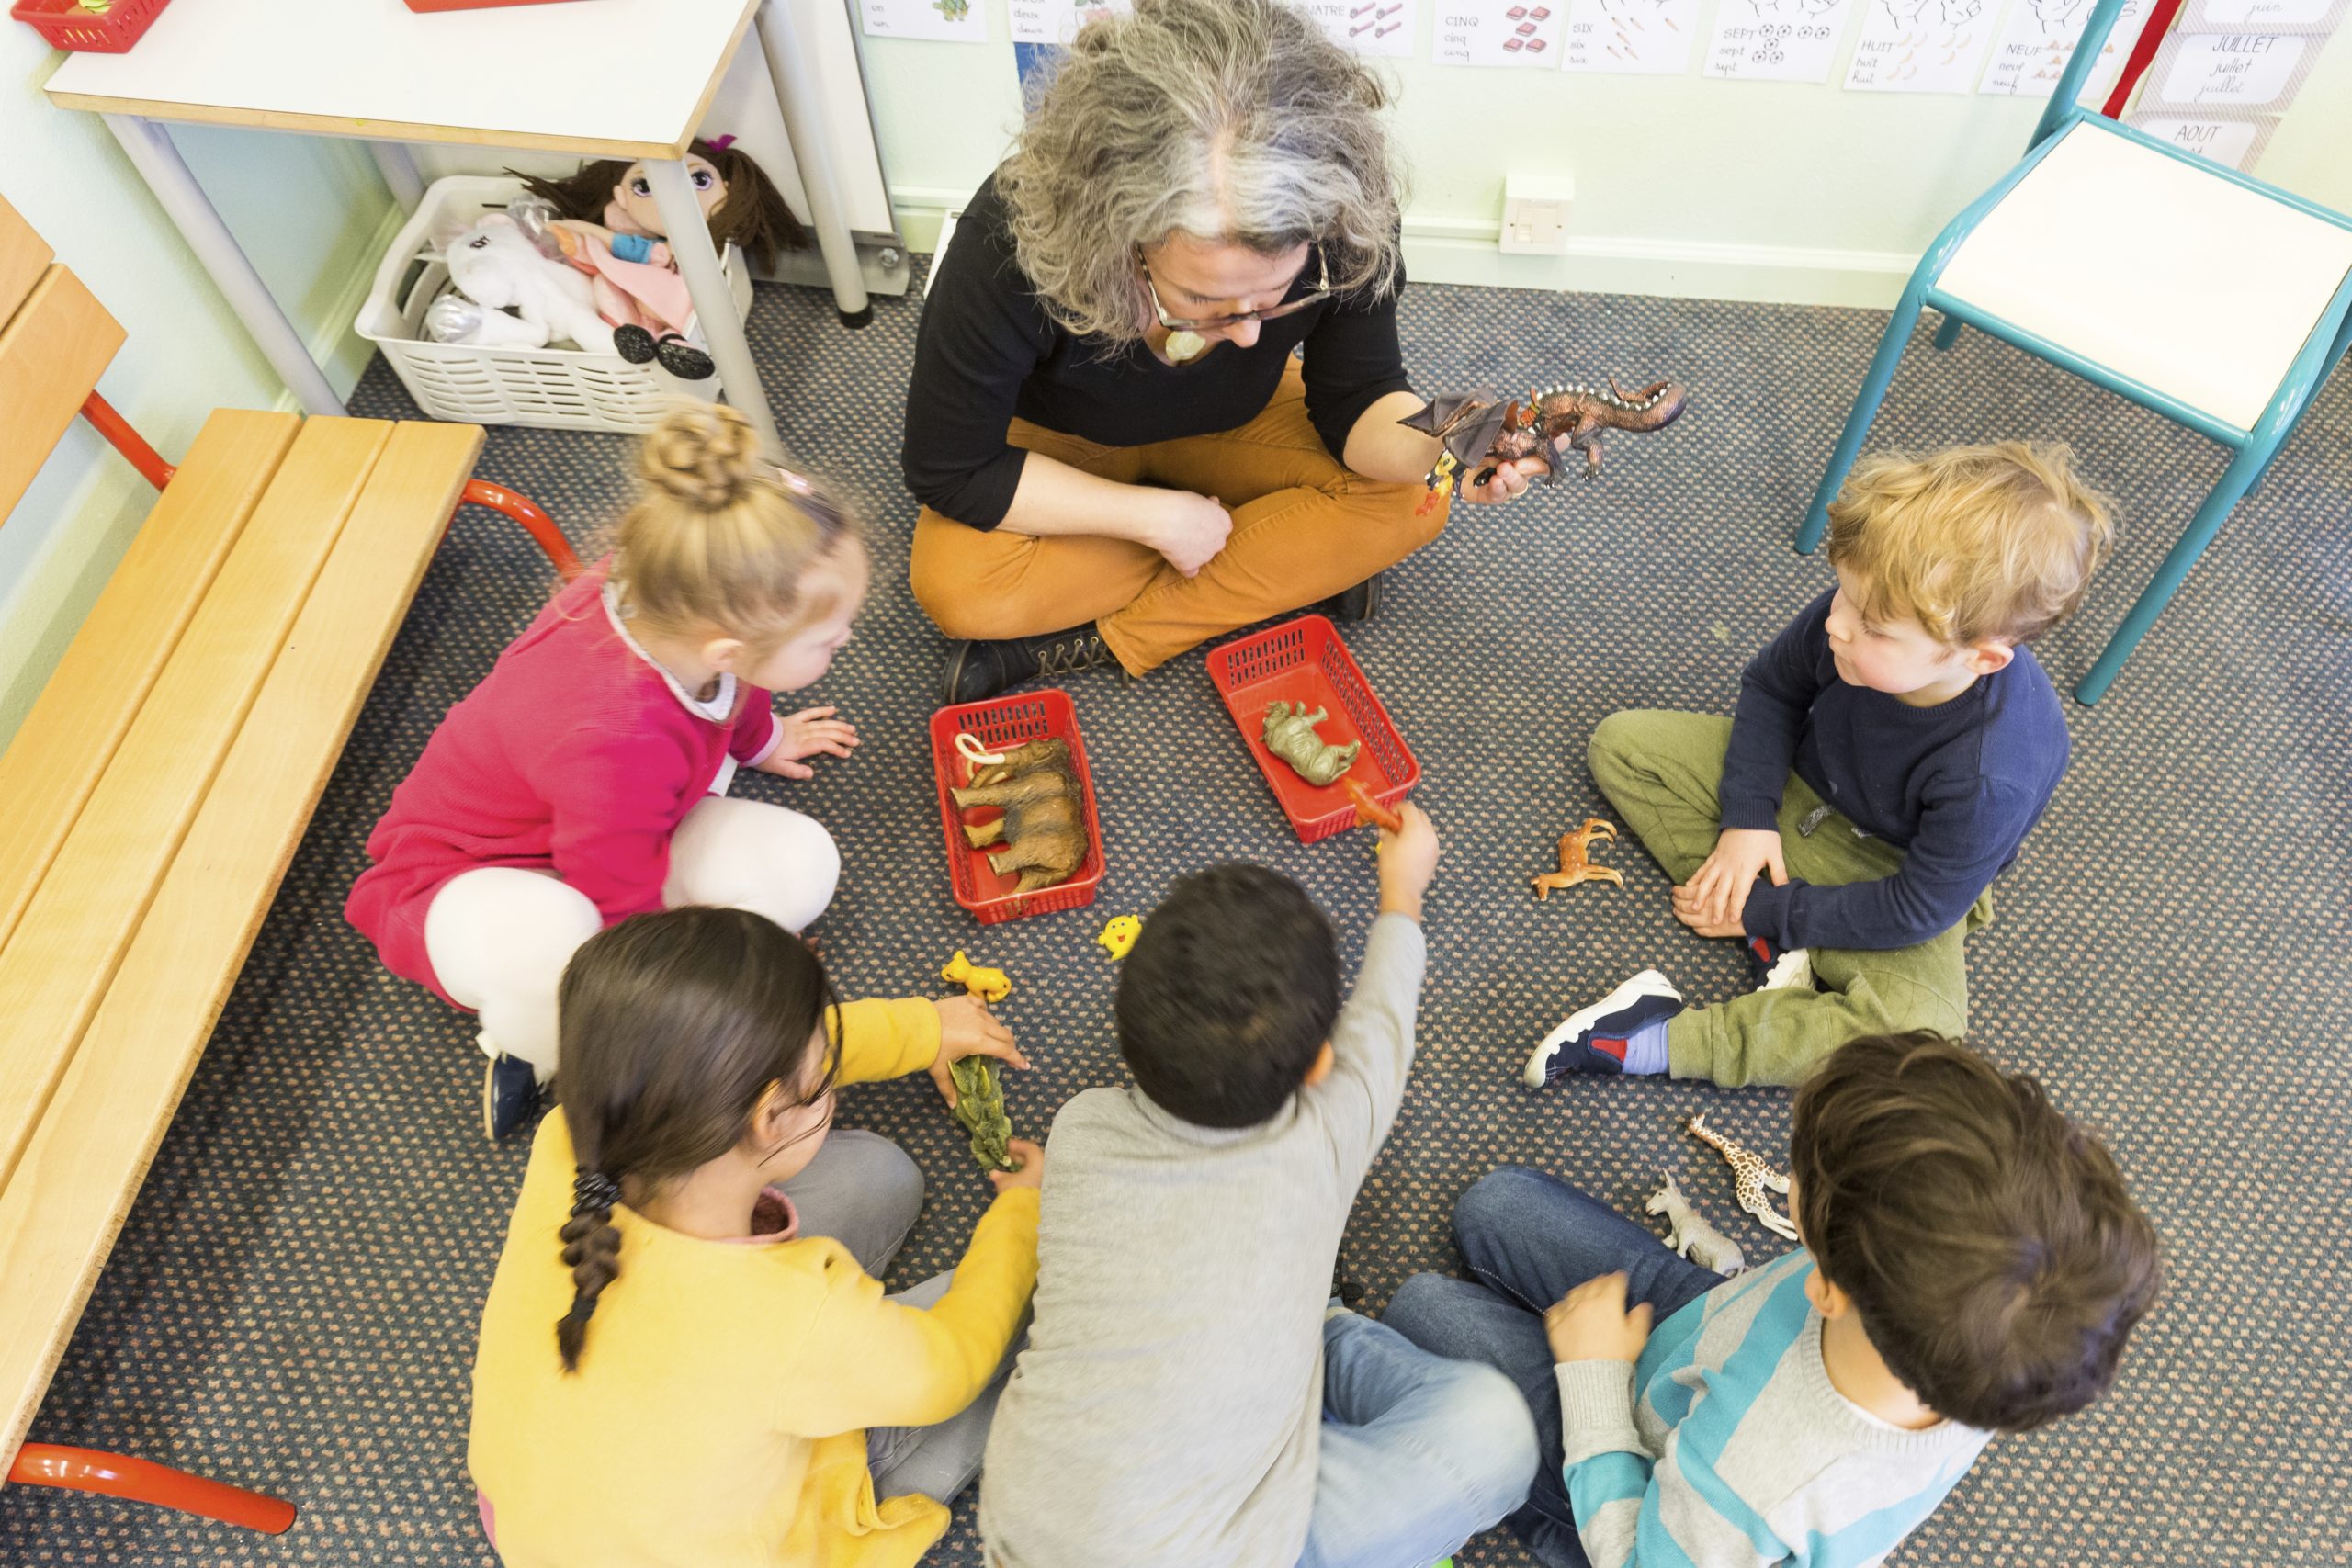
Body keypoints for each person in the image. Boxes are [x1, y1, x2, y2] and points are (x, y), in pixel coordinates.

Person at [905, 0, 1544, 706]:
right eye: (1203, 301)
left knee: (1414, 502)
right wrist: (1154, 518)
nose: (1247, 335)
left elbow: (1360, 397)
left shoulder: (1345, 216)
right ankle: (1288, 558)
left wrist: (1448, 443)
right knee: (955, 585)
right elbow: (952, 466)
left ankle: (1107, 634)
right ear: (1122, 233)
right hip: (1060, 443)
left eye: (1273, 298)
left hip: (1238, 422)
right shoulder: (1015, 233)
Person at [980, 823, 1542, 1568]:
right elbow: (1385, 1023)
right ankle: (1309, 1327)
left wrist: (1041, 1191)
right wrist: (1401, 889)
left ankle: (1291, 1339)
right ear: (1319, 1066)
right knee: (1496, 1433)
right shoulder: (1329, 1131)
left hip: (1031, 1527)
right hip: (1227, 1547)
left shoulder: (1081, 1128)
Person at [1386, 1031, 2162, 1568]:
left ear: (1827, 1285)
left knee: (1421, 1310)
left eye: (1800, 1198)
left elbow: (1632, 1553)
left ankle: (1531, 1502)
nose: (1790, 1190)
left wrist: (1592, 1378)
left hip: (1648, 1484)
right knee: (1496, 1205)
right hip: (1708, 1340)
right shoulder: (1999, 1335)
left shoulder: (1763, 1474)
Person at [1526, 442, 2115, 1089]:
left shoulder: (1994, 777)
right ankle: (1789, 941)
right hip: (1799, 789)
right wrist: (1747, 819)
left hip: (1892, 872)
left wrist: (1769, 912)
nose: (1837, 623)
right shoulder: (1868, 603)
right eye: (1843, 595)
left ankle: (1659, 1039)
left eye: (1873, 628)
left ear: (1982, 657)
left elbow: (1917, 907)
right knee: (1623, 747)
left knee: (1926, 1036)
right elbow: (1774, 687)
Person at [345, 404, 866, 1136]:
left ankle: (575, 1003)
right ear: (727, 645)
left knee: (799, 863)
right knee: (561, 950)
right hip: (460, 877)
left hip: (605, 832)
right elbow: (619, 909)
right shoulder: (612, 740)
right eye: (828, 639)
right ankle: (528, 1042)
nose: (845, 639)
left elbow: (734, 688)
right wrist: (696, 997)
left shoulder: (680, 597)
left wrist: (763, 739)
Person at [468, 906, 1041, 1568]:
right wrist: (1022, 1214)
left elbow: (724, 1047)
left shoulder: (571, 1131)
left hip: (533, 1515)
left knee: (882, 1177)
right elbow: (949, 1368)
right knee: (1031, 1300)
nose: (829, 1063)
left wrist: (924, 1028)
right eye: (821, 1071)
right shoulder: (792, 1317)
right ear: (770, 1115)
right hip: (719, 1546)